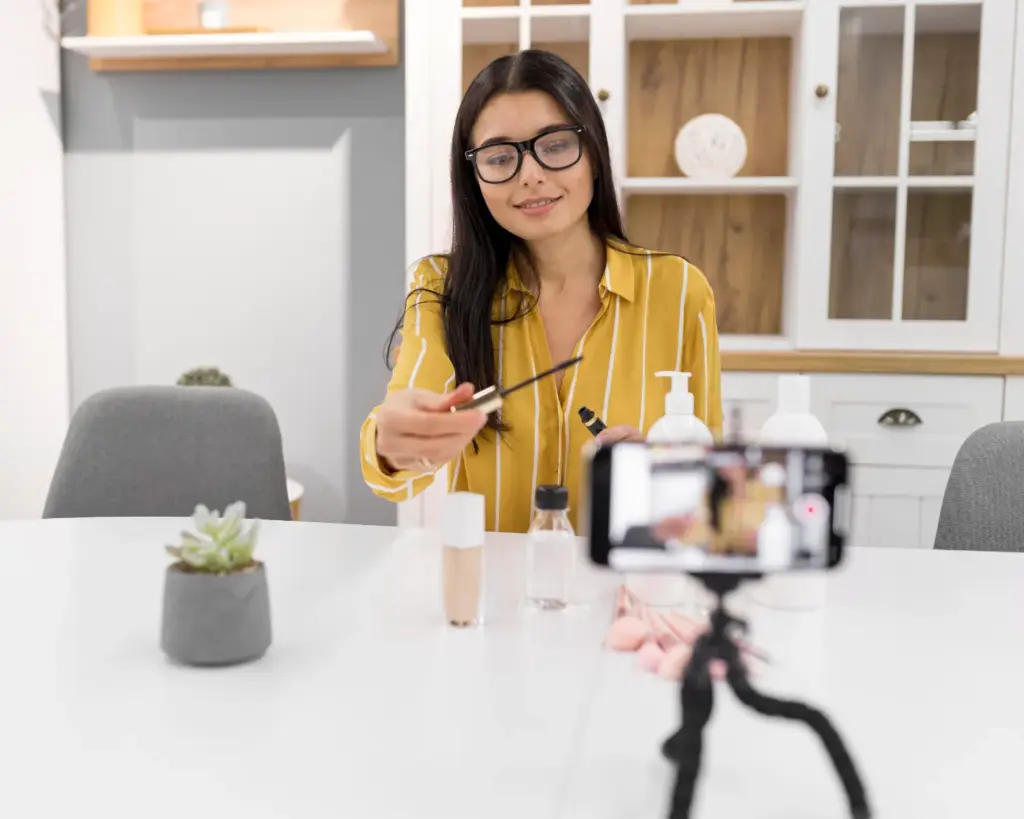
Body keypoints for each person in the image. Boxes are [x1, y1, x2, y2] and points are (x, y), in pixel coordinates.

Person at [360, 49, 722, 533]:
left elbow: (714, 499)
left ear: (593, 153)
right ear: (474, 178)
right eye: (499, 157)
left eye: (554, 145)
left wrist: (659, 476)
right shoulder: (441, 287)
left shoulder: (680, 292)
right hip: (489, 597)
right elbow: (393, 480)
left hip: (625, 596)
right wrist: (393, 442)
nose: (530, 174)